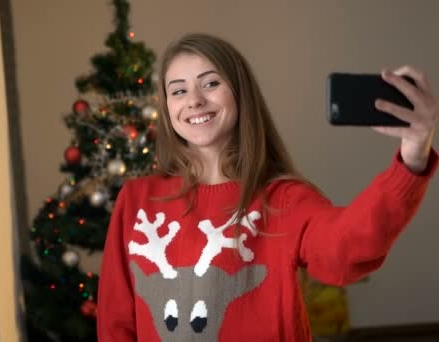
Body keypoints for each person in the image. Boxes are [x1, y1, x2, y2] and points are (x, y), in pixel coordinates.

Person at [97, 33, 438, 341]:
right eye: (179, 90)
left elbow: (345, 252)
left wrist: (411, 163)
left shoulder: (284, 199)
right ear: (167, 105)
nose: (194, 100)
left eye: (210, 83)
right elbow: (116, 320)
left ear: (240, 93)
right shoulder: (138, 200)